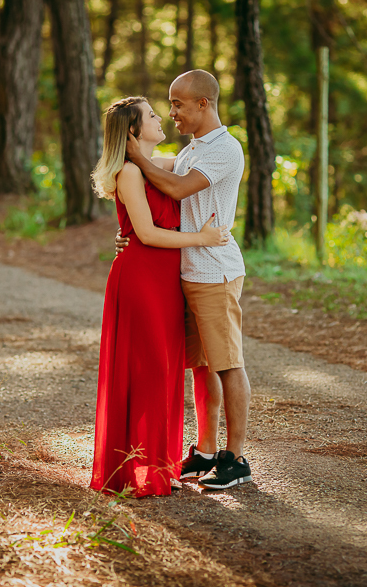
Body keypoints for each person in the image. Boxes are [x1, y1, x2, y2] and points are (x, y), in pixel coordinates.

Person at [118, 70, 253, 490]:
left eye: (177, 104)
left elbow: (175, 189)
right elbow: (139, 179)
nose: (172, 111)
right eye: (169, 105)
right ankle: (206, 450)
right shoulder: (193, 148)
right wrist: (131, 231)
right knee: (201, 366)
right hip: (186, 270)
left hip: (214, 271)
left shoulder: (225, 150)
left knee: (227, 363)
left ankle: (236, 459)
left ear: (203, 105)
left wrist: (138, 157)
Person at [90, 96, 231, 498]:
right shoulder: (131, 173)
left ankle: (158, 463)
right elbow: (147, 234)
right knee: (148, 370)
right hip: (141, 280)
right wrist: (201, 238)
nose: (160, 117)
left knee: (165, 371)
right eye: (152, 114)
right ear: (134, 131)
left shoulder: (160, 165)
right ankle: (136, 468)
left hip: (165, 280)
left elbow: (181, 176)